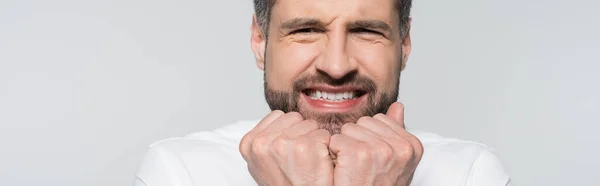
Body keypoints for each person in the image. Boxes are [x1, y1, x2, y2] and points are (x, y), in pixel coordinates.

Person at [134, 0, 512, 185]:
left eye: (367, 31)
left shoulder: (469, 175)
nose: (336, 66)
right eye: (306, 30)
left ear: (405, 44)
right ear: (260, 41)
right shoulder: (182, 173)